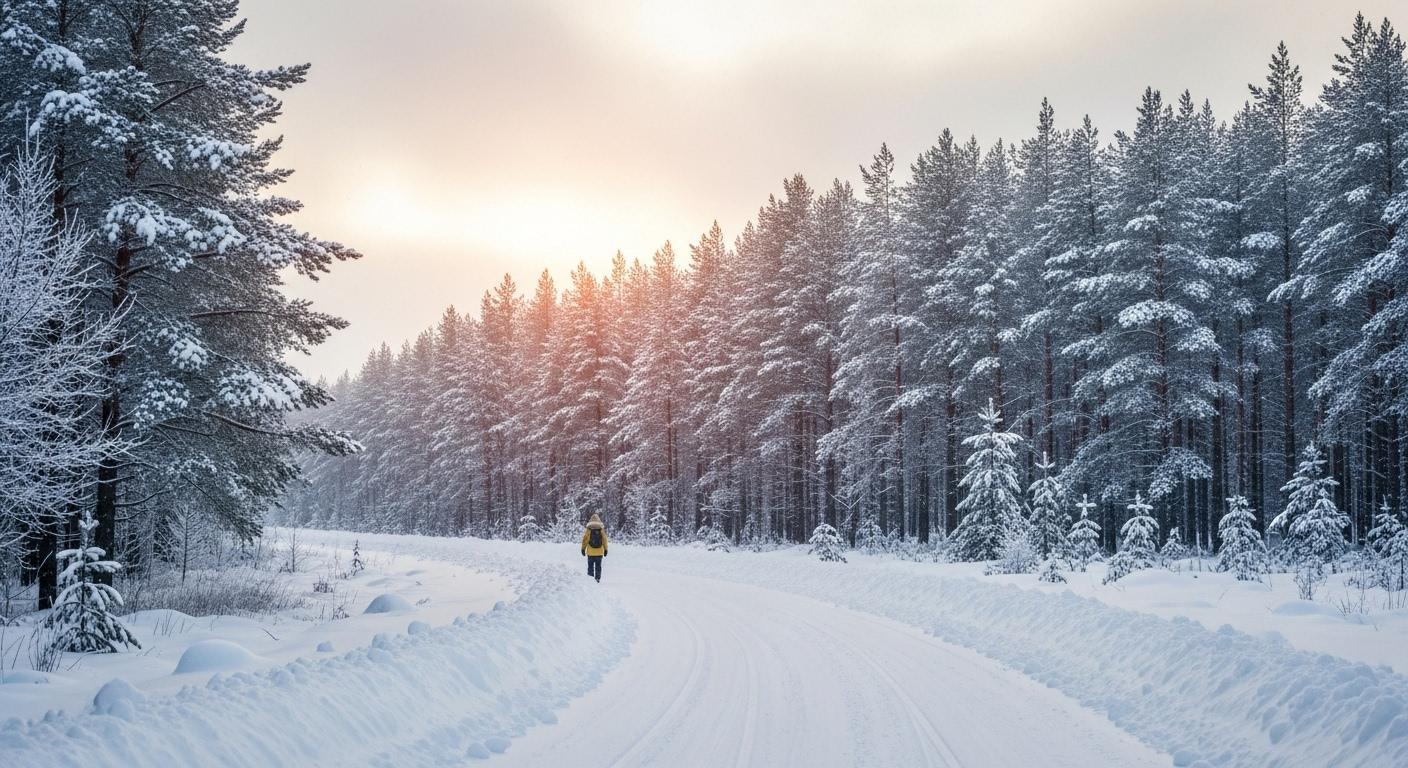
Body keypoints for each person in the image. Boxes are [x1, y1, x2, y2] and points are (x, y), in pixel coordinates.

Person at [581, 513, 608, 582]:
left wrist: (583, 549)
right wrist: (605, 549)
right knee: (598, 566)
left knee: (590, 566)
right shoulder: (601, 529)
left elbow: (585, 539)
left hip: (590, 552)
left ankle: (590, 580)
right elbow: (604, 539)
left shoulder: (589, 529)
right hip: (599, 552)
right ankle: (597, 579)